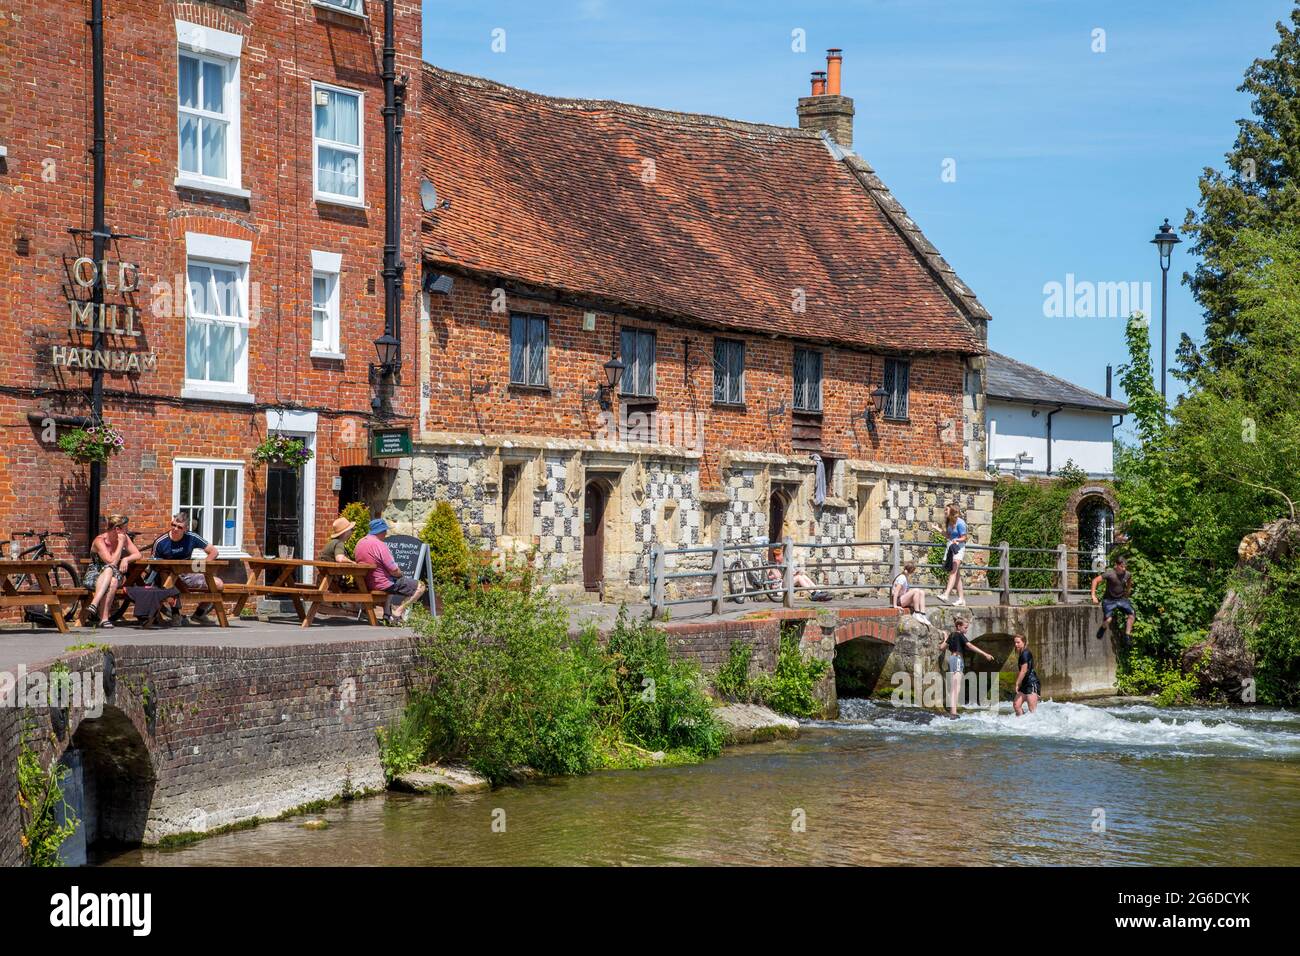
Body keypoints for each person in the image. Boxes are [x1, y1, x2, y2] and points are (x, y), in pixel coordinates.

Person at [152, 513, 224, 624]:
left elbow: (214, 552)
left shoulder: (191, 537)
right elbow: (153, 563)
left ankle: (199, 614)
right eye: (173, 525)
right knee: (167, 579)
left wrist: (201, 567)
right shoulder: (161, 542)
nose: (175, 529)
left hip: (187, 575)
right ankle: (175, 614)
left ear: (186, 529)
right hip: (165, 577)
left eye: (179, 527)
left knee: (218, 584)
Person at [354, 518, 426, 623]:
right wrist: (401, 574)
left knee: (390, 581)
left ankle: (387, 614)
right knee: (420, 586)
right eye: (385, 531)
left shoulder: (360, 543)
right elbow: (394, 570)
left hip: (366, 582)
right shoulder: (380, 545)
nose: (386, 533)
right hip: (382, 584)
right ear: (382, 531)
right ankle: (398, 612)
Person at [84, 514, 141, 628]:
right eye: (125, 528)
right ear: (117, 529)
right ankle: (104, 618)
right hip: (94, 574)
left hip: (113, 573)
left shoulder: (124, 538)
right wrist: (120, 544)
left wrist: (126, 558)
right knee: (110, 572)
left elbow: (137, 554)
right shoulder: (99, 541)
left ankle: (95, 604)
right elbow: (111, 562)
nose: (127, 531)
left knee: (112, 577)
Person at [941, 616, 994, 716]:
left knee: (954, 686)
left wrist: (945, 638)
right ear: (959, 627)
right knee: (956, 687)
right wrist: (985, 654)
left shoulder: (952, 635)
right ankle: (953, 712)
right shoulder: (960, 635)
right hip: (957, 660)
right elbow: (970, 645)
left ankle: (953, 710)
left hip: (951, 660)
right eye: (965, 627)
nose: (966, 629)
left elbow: (942, 647)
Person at [1091, 554, 1135, 644]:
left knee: (1132, 614)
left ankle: (1127, 635)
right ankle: (1103, 628)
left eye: (1125, 567)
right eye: (1122, 567)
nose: (1124, 569)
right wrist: (1093, 596)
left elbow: (1130, 581)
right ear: (1117, 565)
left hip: (1121, 599)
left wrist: (1128, 591)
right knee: (1108, 620)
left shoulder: (1127, 574)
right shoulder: (1110, 573)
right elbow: (1095, 580)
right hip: (1109, 600)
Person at [931, 505, 968, 607]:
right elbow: (948, 535)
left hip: (959, 548)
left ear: (951, 511)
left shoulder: (960, 523)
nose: (945, 511)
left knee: (953, 572)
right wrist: (937, 529)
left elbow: (964, 537)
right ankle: (961, 599)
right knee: (957, 575)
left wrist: (957, 540)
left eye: (946, 510)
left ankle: (946, 594)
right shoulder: (949, 522)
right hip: (951, 547)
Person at [767, 546, 831, 602]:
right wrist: (794, 574)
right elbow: (780, 577)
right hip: (781, 587)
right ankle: (813, 593)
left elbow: (788, 575)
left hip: (787, 583)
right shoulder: (776, 566)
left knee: (802, 575)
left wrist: (797, 572)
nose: (782, 556)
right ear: (776, 557)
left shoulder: (784, 563)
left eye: (781, 555)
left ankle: (818, 592)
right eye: (780, 555)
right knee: (799, 577)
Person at [891, 562, 931, 626]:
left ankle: (923, 615)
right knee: (916, 590)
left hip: (902, 599)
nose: (912, 573)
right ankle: (917, 613)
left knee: (921, 592)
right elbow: (896, 591)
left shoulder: (905, 577)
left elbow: (905, 591)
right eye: (911, 571)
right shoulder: (902, 578)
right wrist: (895, 605)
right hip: (898, 600)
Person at [1012, 634, 1040, 715]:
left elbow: (1024, 670)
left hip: (1032, 683)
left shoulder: (1025, 653)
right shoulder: (1022, 653)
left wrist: (1017, 683)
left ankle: (1034, 725)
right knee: (1016, 705)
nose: (1016, 644)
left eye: (1018, 642)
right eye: (1015, 642)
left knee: (1032, 711)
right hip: (1024, 684)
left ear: (1023, 642)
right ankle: (1022, 724)